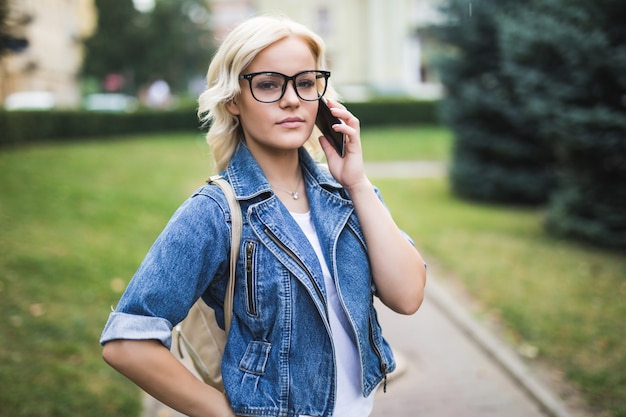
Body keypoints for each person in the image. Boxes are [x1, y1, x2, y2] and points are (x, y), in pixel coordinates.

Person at [100, 14, 427, 417]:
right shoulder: (214, 212)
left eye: (305, 83)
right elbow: (126, 341)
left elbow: (408, 295)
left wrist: (357, 184)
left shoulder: (346, 194)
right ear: (233, 99)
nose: (292, 99)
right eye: (269, 84)